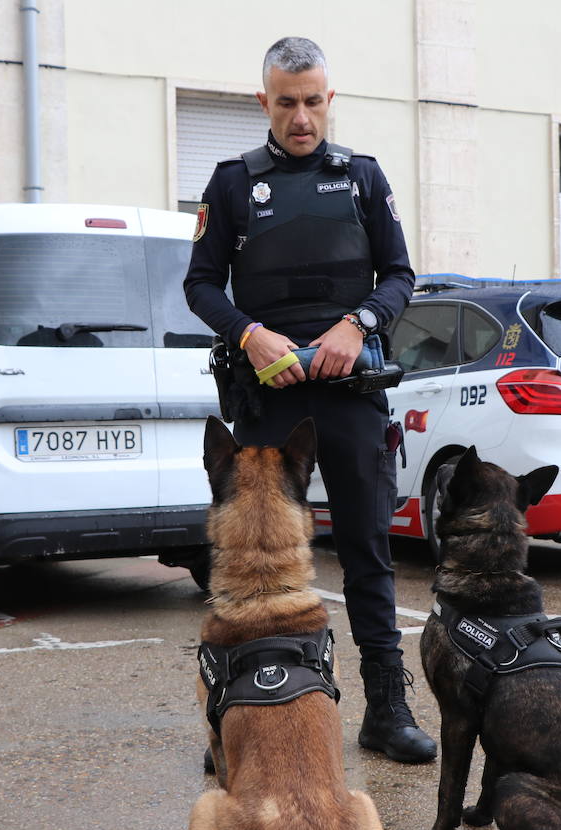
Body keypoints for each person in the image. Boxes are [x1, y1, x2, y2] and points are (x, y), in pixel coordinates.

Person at [185, 36, 436, 764]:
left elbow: (398, 276)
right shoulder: (232, 183)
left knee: (367, 552)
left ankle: (385, 709)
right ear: (265, 102)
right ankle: (249, 708)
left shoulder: (361, 178)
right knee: (254, 553)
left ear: (330, 99)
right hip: (267, 400)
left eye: (313, 101)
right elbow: (200, 283)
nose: (302, 117)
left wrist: (358, 326)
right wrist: (250, 333)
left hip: (350, 393)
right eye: (287, 102)